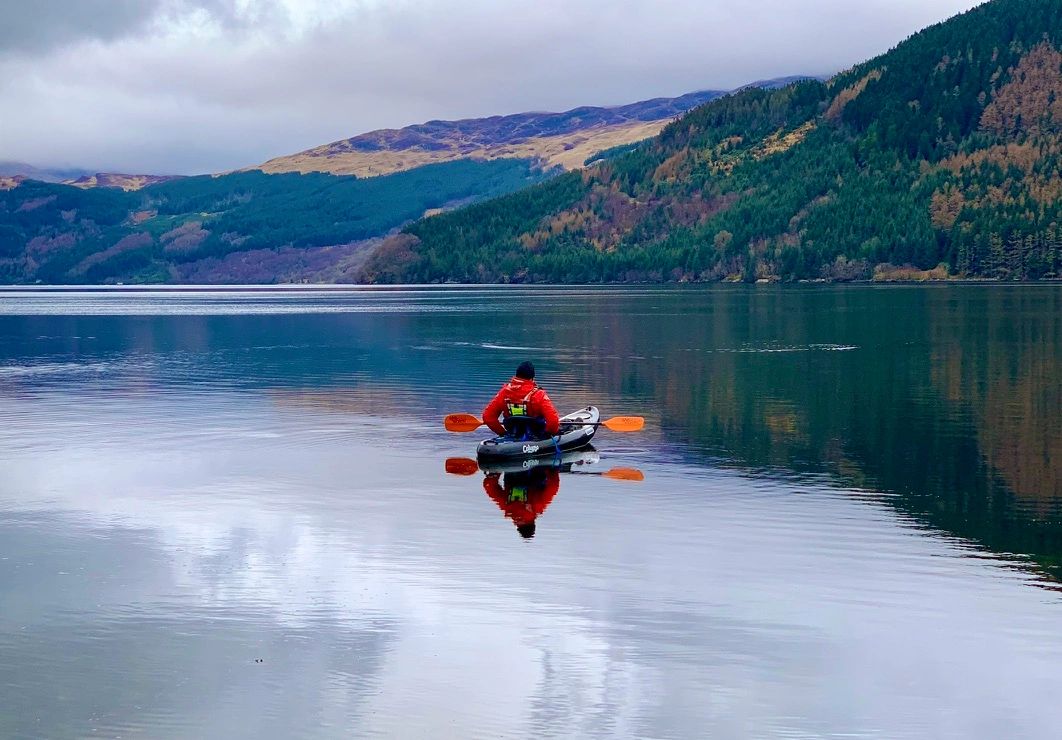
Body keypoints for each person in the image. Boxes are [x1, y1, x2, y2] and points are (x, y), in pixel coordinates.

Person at [482, 361, 560, 440]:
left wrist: (503, 433)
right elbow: (553, 420)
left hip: (513, 432)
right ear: (532, 378)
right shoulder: (539, 394)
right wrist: (547, 435)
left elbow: (488, 417)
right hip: (536, 434)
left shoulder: (504, 393)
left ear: (516, 375)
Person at [482, 467, 561, 539]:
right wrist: (496, 472)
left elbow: (553, 486)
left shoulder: (537, 507)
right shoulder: (509, 509)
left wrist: (551, 470)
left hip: (535, 467)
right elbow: (489, 487)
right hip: (512, 468)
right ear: (517, 527)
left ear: (533, 523)